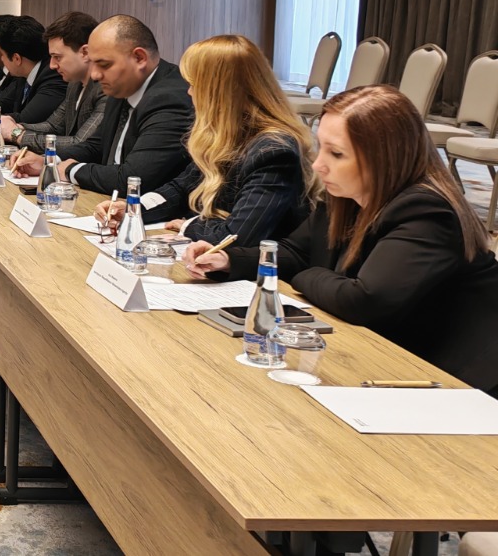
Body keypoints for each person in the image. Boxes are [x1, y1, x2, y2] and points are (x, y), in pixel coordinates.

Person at [183, 85, 498, 394]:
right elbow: (295, 252)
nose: (318, 165)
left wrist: (307, 274)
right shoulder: (345, 196)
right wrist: (229, 260)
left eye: (336, 154)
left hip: (458, 375)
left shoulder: (425, 210)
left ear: (384, 157)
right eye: (321, 147)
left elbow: (363, 300)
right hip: (391, 350)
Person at [94, 34, 316, 244]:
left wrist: (187, 226)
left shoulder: (274, 152)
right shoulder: (224, 135)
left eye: (194, 85)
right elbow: (180, 189)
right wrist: (133, 208)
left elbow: (237, 235)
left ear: (220, 93)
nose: (189, 93)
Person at [56, 15, 193, 193]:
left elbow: (133, 179)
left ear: (139, 58)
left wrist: (70, 170)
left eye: (104, 64)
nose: (95, 75)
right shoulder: (123, 86)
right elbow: (96, 146)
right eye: (93, 63)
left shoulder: (171, 100)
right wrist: (50, 160)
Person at [6, 11, 106, 169]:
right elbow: (53, 126)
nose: (52, 65)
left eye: (57, 57)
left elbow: (80, 143)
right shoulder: (74, 83)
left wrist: (17, 135)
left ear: (85, 53)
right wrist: (16, 126)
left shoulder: (106, 89)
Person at [0, 15, 66, 130]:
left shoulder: (53, 77)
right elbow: (3, 103)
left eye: (2, 54)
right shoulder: (23, 74)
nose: (2, 59)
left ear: (17, 59)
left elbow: (24, 120)